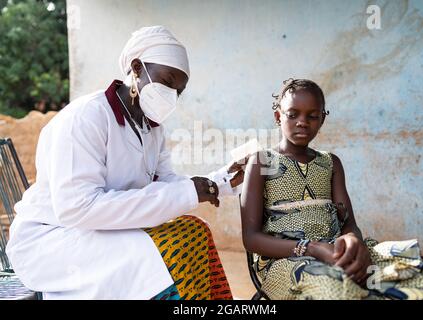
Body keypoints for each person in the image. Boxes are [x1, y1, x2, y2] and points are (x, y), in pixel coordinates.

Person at [6, 26, 245, 300]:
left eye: (179, 90)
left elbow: (169, 183)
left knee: (195, 231)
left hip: (99, 233)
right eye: (167, 81)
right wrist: (189, 191)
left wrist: (219, 182)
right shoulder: (87, 117)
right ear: (136, 68)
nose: (172, 95)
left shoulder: (151, 128)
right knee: (162, 255)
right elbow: (76, 208)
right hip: (53, 241)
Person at [240, 78, 423, 300]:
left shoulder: (331, 163)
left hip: (336, 250)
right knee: (336, 288)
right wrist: (313, 248)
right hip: (287, 258)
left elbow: (348, 223)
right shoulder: (262, 161)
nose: (303, 122)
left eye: (312, 116)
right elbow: (251, 238)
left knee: (410, 269)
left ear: (322, 119)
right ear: (278, 116)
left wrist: (352, 244)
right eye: (293, 114)